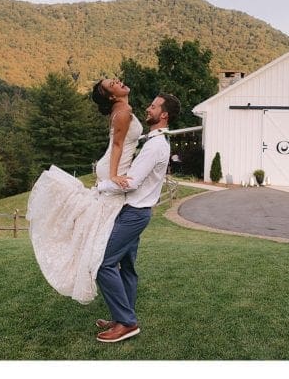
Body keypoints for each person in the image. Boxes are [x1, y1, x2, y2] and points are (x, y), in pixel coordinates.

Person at [26, 78, 142, 304]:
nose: (118, 81)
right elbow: (118, 145)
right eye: (112, 84)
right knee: (97, 236)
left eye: (115, 79)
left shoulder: (123, 109)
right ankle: (101, 268)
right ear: (111, 96)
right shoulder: (123, 112)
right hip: (111, 168)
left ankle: (124, 303)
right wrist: (114, 175)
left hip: (110, 164)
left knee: (99, 232)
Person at [93, 93, 180, 343]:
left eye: (153, 106)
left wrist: (101, 187)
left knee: (104, 263)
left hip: (134, 213)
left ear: (163, 114)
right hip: (134, 211)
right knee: (127, 268)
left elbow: (130, 183)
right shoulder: (154, 141)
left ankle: (128, 323)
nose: (148, 108)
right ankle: (123, 316)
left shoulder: (156, 146)